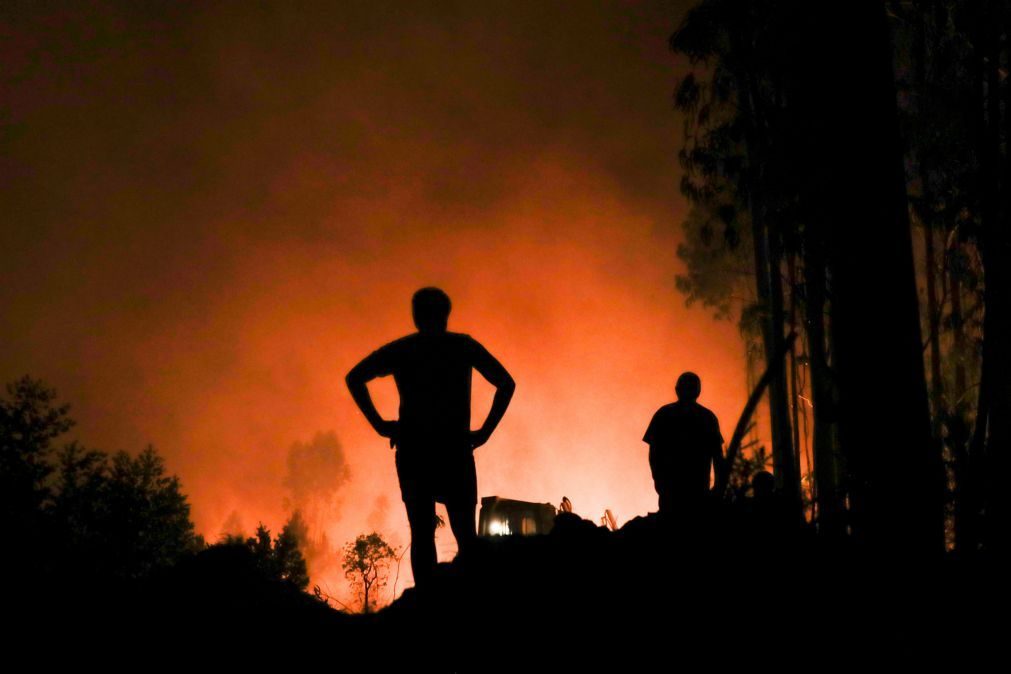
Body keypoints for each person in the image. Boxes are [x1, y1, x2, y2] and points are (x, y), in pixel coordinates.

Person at [345, 287, 515, 588]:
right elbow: (506, 383)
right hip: (454, 451)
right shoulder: (463, 347)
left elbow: (355, 377)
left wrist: (381, 425)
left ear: (416, 316)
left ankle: (427, 603)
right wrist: (485, 432)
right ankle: (471, 598)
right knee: (465, 533)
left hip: (415, 452)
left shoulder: (403, 350)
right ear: (445, 316)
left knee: (421, 532)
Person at [642, 371, 726, 514]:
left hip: (672, 489)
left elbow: (654, 454)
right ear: (698, 391)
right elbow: (718, 456)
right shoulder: (707, 417)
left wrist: (659, 480)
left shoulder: (664, 414)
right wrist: (719, 487)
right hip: (697, 490)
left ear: (677, 390)